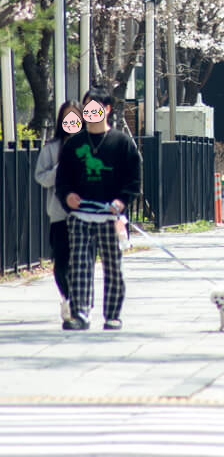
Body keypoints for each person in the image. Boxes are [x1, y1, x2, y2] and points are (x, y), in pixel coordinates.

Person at [56, 85, 140, 331]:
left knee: (113, 266)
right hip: (81, 216)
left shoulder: (123, 143)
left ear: (107, 109)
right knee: (80, 264)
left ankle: (112, 314)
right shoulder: (74, 145)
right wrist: (68, 195)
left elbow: (133, 180)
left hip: (110, 217)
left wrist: (122, 201)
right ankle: (81, 312)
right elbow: (63, 179)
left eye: (96, 108)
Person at [34, 100, 84, 322]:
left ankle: (80, 302)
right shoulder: (51, 149)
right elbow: (41, 178)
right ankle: (70, 298)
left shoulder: (91, 147)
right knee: (61, 262)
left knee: (82, 261)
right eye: (67, 118)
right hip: (59, 214)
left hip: (86, 215)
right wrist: (59, 169)